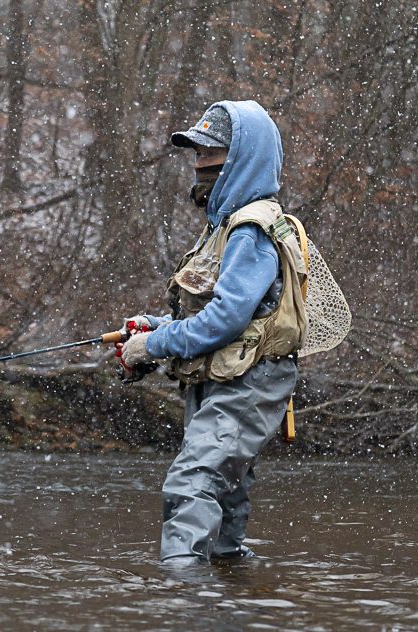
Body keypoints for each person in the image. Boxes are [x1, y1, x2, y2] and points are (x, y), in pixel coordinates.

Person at [119, 100, 307, 565]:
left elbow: (227, 320)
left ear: (242, 159)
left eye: (212, 155)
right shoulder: (222, 228)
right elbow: (229, 312)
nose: (202, 166)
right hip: (225, 377)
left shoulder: (251, 231)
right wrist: (153, 326)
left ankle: (182, 594)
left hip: (249, 381)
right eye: (198, 156)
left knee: (193, 481)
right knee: (225, 495)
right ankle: (226, 590)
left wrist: (152, 346)